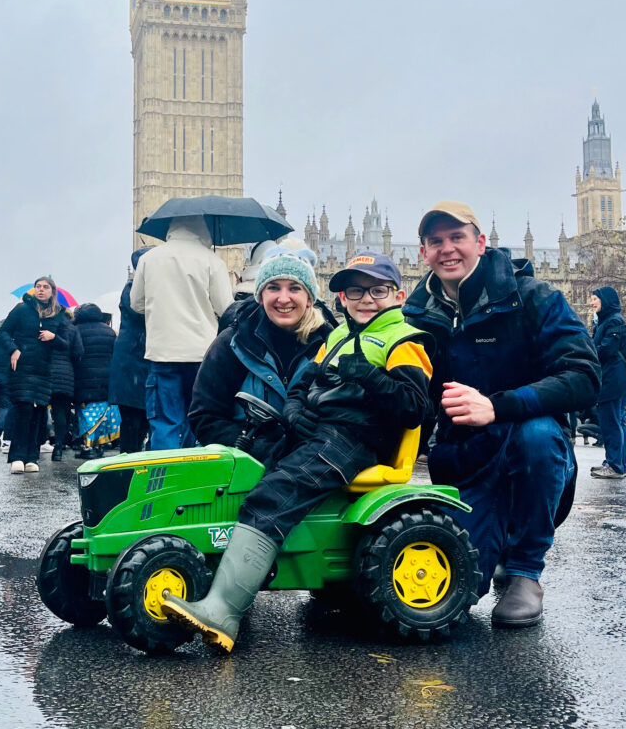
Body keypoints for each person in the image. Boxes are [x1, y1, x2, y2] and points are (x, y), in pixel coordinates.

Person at [163, 251, 432, 652]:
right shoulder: (339, 337)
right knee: (253, 476)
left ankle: (223, 612)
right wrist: (292, 410)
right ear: (341, 297)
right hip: (322, 433)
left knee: (272, 497)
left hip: (355, 439)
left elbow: (417, 409)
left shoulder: (402, 341)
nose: (366, 298)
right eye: (356, 291)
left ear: (398, 294)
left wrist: (372, 378)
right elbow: (303, 384)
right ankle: (235, 567)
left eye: (378, 290)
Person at [402, 201, 600, 628]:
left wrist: (498, 405)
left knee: (536, 436)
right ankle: (491, 555)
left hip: (533, 456)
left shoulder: (533, 298)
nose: (447, 249)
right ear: (423, 253)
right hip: (467, 460)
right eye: (436, 241)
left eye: (457, 238)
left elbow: (584, 376)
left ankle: (524, 570)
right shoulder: (415, 316)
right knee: (449, 593)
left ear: (481, 242)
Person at [189, 247, 335, 465]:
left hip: (306, 467)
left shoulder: (331, 347)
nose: (283, 299)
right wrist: (260, 449)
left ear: (309, 298)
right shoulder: (233, 343)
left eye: (294, 288)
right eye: (273, 288)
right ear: (260, 295)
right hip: (241, 466)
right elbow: (205, 416)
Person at [130, 217, 233, 450]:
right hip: (202, 355)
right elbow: (226, 308)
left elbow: (136, 304)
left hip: (162, 352)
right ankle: (193, 475)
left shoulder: (148, 259)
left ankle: (164, 477)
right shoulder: (212, 260)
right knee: (199, 418)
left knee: (165, 421)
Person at [0, 277, 68, 474]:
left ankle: (32, 456)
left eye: (45, 287)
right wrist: (13, 349)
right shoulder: (21, 309)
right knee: (23, 410)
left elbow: (68, 344)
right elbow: (1, 334)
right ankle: (17, 456)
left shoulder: (59, 315)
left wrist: (54, 337)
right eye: (38, 287)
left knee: (39, 413)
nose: (41, 290)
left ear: (52, 291)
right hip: (22, 367)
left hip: (44, 369)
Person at [589, 287, 626, 478]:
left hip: (613, 380)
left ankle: (615, 465)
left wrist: (587, 349)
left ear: (606, 300)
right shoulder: (610, 321)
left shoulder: (613, 321)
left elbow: (606, 350)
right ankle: (624, 463)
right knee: (619, 421)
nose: (592, 302)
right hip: (618, 379)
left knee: (610, 422)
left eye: (595, 299)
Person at [108, 250, 151, 453]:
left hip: (141, 361)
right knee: (132, 420)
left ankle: (134, 463)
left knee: (143, 419)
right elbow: (140, 313)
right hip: (132, 362)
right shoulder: (132, 289)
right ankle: (128, 465)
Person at [73, 303, 119, 457]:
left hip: (82, 379)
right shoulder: (109, 331)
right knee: (102, 413)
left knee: (86, 414)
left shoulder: (75, 331)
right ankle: (99, 445)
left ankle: (87, 447)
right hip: (105, 379)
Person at [47, 310, 83, 461]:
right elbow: (79, 352)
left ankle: (38, 444)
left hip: (47, 372)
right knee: (63, 410)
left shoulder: (48, 326)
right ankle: (58, 447)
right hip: (66, 374)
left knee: (44, 408)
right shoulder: (73, 329)